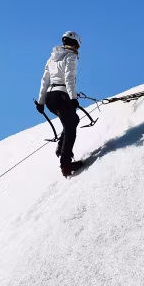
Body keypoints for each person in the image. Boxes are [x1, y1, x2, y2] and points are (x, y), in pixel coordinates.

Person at [36, 31, 85, 177]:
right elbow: (69, 77)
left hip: (51, 98)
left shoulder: (51, 59)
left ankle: (61, 149)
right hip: (62, 96)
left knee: (73, 120)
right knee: (70, 129)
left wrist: (41, 101)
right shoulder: (71, 57)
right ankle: (66, 164)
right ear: (75, 44)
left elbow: (44, 80)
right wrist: (72, 97)